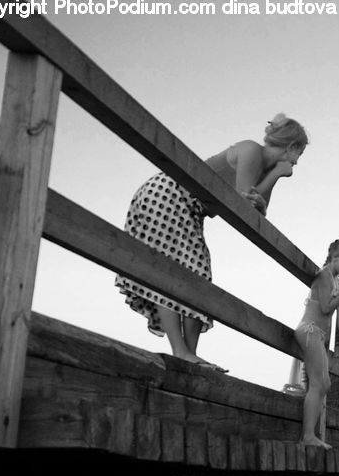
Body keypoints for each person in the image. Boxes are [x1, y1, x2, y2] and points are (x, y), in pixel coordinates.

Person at [115, 114, 309, 368]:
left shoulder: (263, 167)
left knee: (195, 273)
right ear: (292, 147)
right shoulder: (251, 150)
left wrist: (271, 179)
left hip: (187, 206)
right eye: (300, 152)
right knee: (175, 269)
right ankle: (181, 352)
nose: (298, 161)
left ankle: (187, 354)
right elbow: (245, 207)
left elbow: (258, 212)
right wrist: (275, 177)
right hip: (170, 193)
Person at [294, 237, 339, 448]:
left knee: (324, 384)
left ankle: (309, 435)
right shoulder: (324, 275)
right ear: (335, 257)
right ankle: (308, 436)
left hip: (317, 334)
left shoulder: (332, 278)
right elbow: (325, 308)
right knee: (319, 383)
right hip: (310, 331)